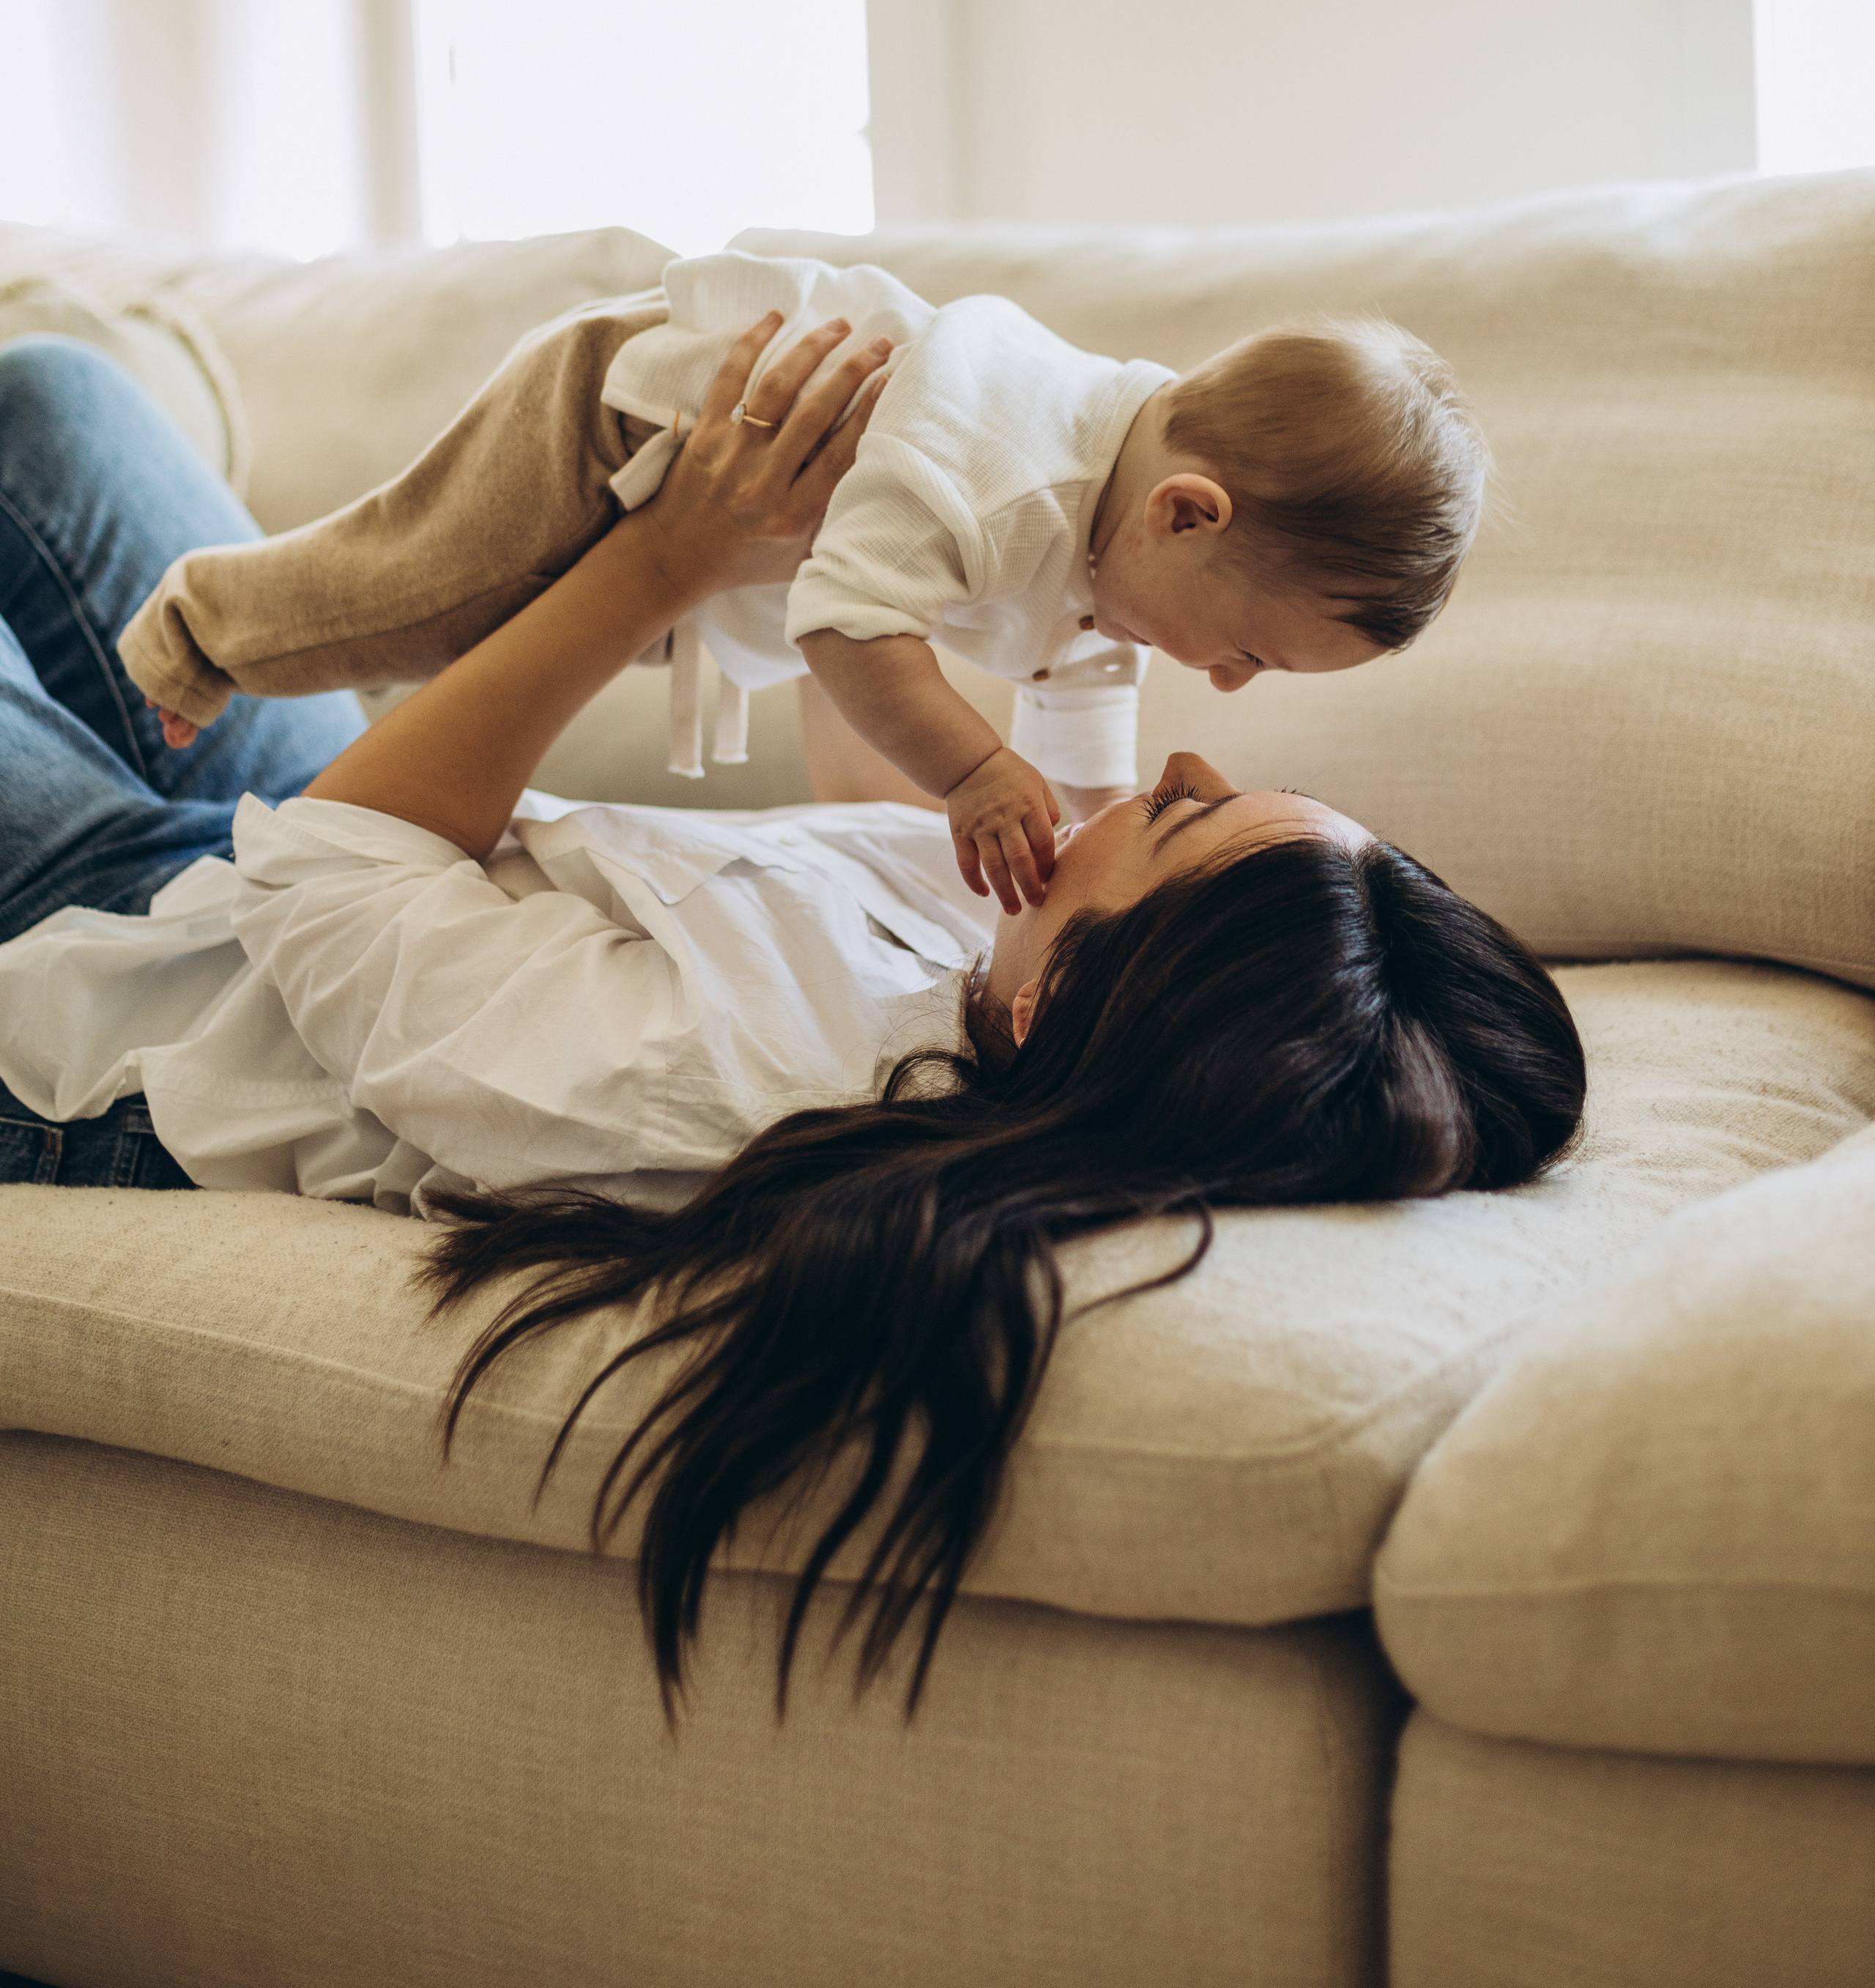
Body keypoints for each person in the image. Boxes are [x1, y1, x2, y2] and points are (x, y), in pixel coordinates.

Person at [0, 318, 1583, 1707]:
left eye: (1181, 819)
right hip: (352, 856)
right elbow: (861, 810)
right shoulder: (1012, 970)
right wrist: (857, 552)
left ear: (1068, 1008)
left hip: (149, 990)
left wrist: (666, 562)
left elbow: (334, 873)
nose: (1184, 758)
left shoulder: (727, 1079)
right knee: (59, 404)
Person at [116, 251, 1489, 915]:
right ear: (1187, 514)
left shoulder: (1115, 575)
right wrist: (970, 771)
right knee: (416, 596)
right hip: (615, 423)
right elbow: (846, 622)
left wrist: (1102, 875)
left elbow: (1085, 781)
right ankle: (201, 631)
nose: (1225, 687)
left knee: (442, 633)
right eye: (1250, 650)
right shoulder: (1005, 468)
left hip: (700, 545)